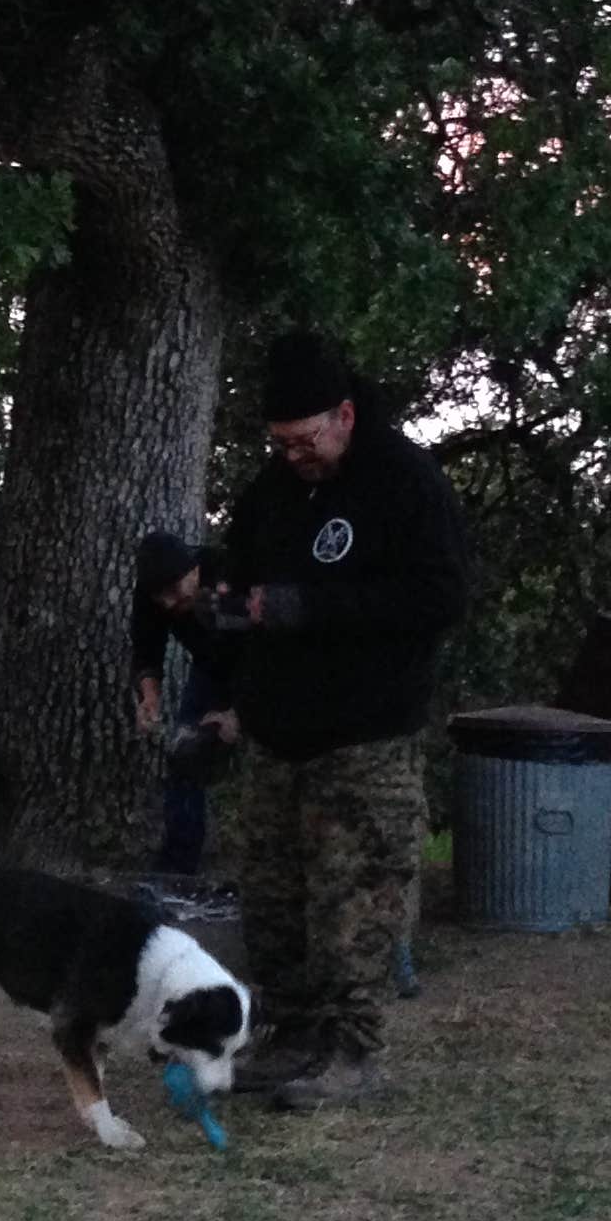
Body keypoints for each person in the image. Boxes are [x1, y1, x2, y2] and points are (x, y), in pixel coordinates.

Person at [216, 330, 472, 1110]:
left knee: (352, 899)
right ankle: (288, 1035)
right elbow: (240, 571)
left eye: (306, 440)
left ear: (346, 415)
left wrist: (309, 607)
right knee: (273, 899)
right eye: (281, 443)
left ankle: (352, 1051)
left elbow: (440, 596)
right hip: (277, 734)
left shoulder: (404, 481)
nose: (296, 455)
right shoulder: (270, 492)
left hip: (365, 735)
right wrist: (229, 616)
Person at [128, 532, 240, 888]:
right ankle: (179, 866)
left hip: (264, 672)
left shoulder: (229, 573)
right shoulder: (151, 598)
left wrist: (239, 714)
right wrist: (150, 698)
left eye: (175, 590)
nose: (168, 603)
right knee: (185, 753)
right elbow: (147, 651)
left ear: (195, 570)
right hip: (210, 670)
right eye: (160, 596)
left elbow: (268, 651)